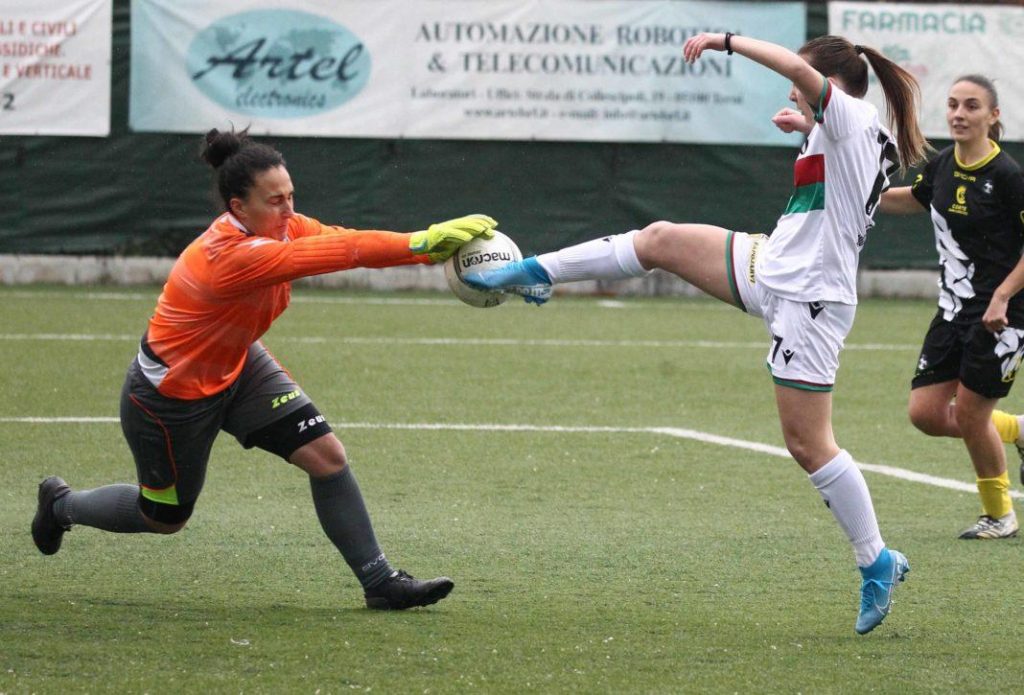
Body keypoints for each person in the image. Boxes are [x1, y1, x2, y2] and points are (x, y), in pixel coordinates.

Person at [468, 32, 928, 634]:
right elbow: (838, 166)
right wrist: (803, 127)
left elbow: (794, 68)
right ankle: (536, 272)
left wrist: (726, 42)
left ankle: (877, 562)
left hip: (809, 299)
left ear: (832, 87)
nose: (794, 87)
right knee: (660, 240)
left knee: (809, 445)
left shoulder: (852, 116)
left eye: (806, 84)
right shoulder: (848, 127)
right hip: (774, 266)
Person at [31, 127, 498, 610]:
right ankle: (61, 504)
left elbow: (344, 239)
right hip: (171, 397)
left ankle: (380, 582)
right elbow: (338, 254)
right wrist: (420, 243)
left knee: (327, 457)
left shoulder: (282, 227)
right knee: (164, 516)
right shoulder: (229, 256)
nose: (289, 210)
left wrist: (427, 254)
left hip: (240, 363)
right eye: (275, 201)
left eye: (291, 196)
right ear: (238, 207)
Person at [879, 75, 1024, 539]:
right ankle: (1018, 429)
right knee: (924, 413)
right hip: (953, 309)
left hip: (1002, 313)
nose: (959, 114)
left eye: (972, 106)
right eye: (954, 105)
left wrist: (1002, 295)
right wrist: (862, 198)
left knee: (971, 416)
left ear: (993, 116)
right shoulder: (942, 165)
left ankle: (999, 516)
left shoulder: (1007, 176)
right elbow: (915, 199)